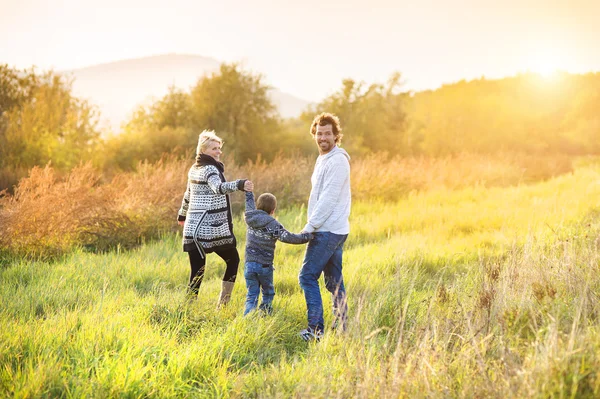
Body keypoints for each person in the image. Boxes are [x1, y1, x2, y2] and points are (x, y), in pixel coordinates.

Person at [177, 130, 253, 306]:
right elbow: (218, 188)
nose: (218, 152)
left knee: (197, 271)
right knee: (233, 260)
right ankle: (223, 305)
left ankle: (188, 308)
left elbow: (187, 194)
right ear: (203, 151)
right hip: (210, 229)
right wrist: (240, 184)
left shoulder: (194, 168)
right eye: (214, 149)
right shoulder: (210, 169)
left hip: (193, 229)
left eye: (219, 148)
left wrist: (182, 214)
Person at [298, 112, 351, 342]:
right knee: (333, 282)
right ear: (314, 135)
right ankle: (343, 328)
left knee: (307, 276)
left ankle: (315, 331)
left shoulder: (338, 161)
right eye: (319, 133)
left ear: (336, 135)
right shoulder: (323, 159)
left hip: (328, 230)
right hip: (331, 229)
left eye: (327, 133)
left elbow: (328, 199)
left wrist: (310, 227)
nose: (323, 138)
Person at [243, 191, 312, 315]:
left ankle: (248, 319)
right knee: (268, 292)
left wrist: (248, 192)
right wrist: (307, 236)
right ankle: (264, 316)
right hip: (264, 266)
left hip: (249, 265)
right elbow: (289, 237)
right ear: (273, 210)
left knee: (251, 294)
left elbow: (248, 203)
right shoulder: (272, 225)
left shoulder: (250, 217)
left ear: (257, 205)